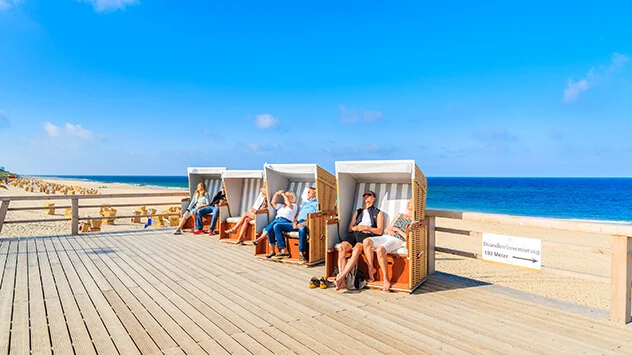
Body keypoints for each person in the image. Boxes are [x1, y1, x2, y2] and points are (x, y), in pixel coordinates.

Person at [335, 190, 384, 290]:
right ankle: (342, 279)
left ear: (374, 199)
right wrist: (356, 228)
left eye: (369, 195)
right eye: (364, 195)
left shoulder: (378, 213)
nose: (366, 196)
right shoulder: (358, 212)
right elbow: (350, 228)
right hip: (355, 233)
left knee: (356, 250)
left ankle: (341, 277)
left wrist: (367, 228)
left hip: (366, 235)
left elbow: (379, 231)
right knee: (342, 249)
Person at [364, 199, 414, 291]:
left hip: (398, 239)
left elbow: (408, 238)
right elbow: (387, 228)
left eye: (410, 202)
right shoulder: (399, 215)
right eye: (408, 202)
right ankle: (371, 268)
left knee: (380, 250)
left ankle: (386, 279)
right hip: (387, 236)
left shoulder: (413, 221)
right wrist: (389, 230)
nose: (408, 203)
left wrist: (397, 230)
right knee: (366, 241)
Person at [271, 187, 318, 263]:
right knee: (277, 226)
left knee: (302, 229)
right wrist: (295, 221)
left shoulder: (317, 204)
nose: (307, 193)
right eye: (308, 192)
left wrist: (302, 224)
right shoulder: (305, 203)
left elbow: (315, 217)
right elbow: (299, 214)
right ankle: (284, 251)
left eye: (309, 192)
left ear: (315, 193)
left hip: (307, 223)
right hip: (298, 222)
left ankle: (301, 254)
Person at [256, 190, 297, 258]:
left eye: (287, 196)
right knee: (272, 228)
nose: (285, 198)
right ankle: (272, 251)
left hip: (286, 222)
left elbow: (288, 203)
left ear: (292, 199)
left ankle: (261, 238)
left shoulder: (293, 206)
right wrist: (276, 193)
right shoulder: (281, 206)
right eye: (285, 196)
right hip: (277, 220)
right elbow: (272, 202)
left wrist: (283, 194)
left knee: (274, 224)